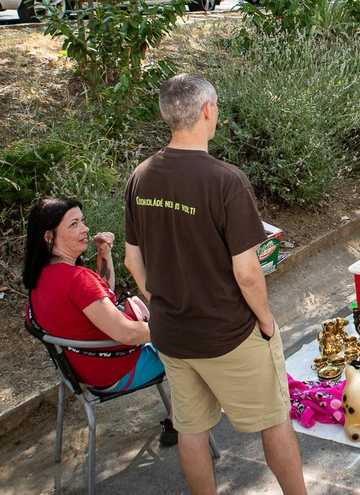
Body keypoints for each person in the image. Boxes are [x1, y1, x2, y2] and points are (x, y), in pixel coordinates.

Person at [124, 74, 307, 495]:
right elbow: (246, 272)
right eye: (217, 106)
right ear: (207, 110)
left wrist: (167, 301)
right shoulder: (226, 180)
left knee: (190, 428)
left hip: (172, 333)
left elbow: (134, 261)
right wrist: (265, 321)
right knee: (274, 419)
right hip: (228, 332)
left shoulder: (142, 176)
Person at [23, 197, 178, 447]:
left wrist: (103, 254)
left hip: (80, 371)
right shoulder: (76, 280)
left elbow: (103, 296)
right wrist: (178, 327)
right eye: (73, 224)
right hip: (116, 372)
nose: (84, 228)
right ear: (49, 237)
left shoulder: (40, 278)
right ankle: (178, 422)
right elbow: (126, 333)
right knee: (188, 344)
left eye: (82, 221)